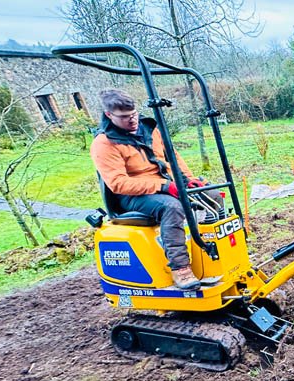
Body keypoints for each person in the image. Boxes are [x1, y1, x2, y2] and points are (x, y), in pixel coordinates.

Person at [91, 89, 212, 290]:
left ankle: (212, 257)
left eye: (134, 114)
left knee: (211, 194)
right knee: (171, 207)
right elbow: (118, 183)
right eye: (124, 117)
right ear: (109, 115)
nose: (132, 120)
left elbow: (172, 156)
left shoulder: (150, 130)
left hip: (165, 183)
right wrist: (164, 186)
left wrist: (188, 180)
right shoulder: (104, 143)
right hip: (132, 195)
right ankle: (180, 269)